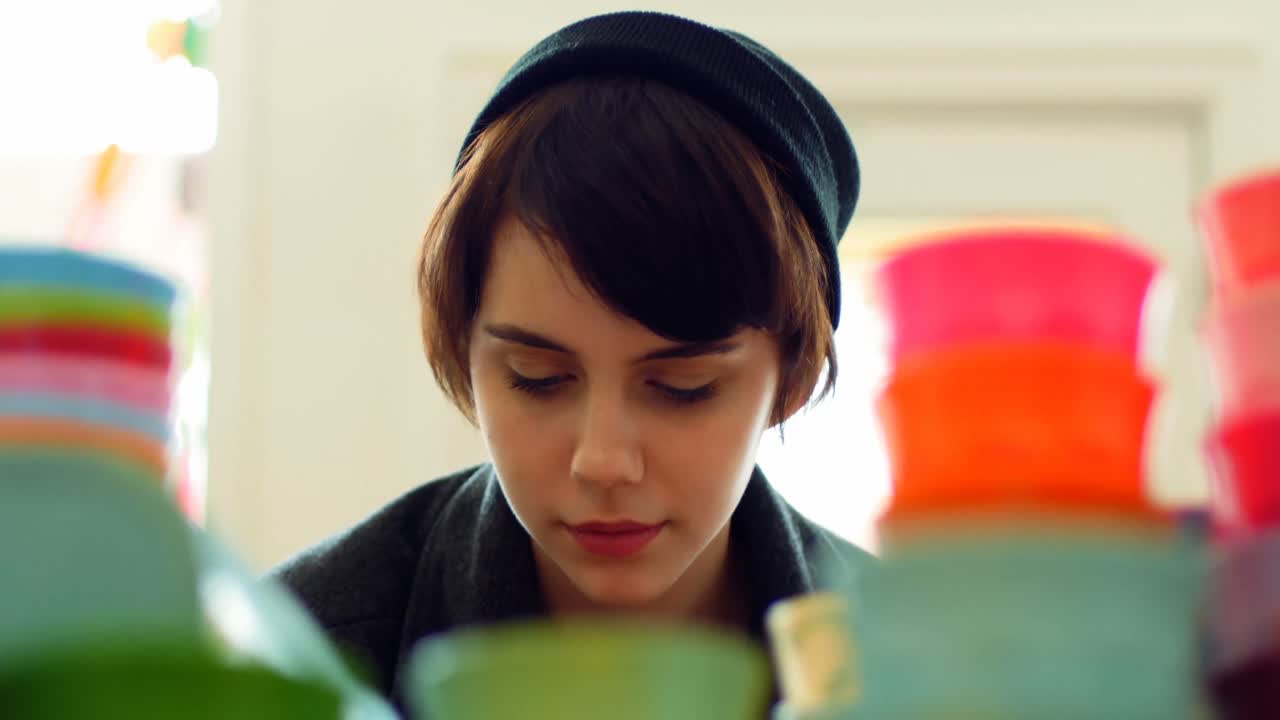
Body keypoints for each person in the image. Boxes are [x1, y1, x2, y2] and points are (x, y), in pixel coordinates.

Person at [274, 9, 873, 708]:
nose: (604, 461)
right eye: (539, 379)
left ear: (790, 380)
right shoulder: (293, 659)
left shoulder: (921, 673)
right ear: (464, 350)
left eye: (683, 386)